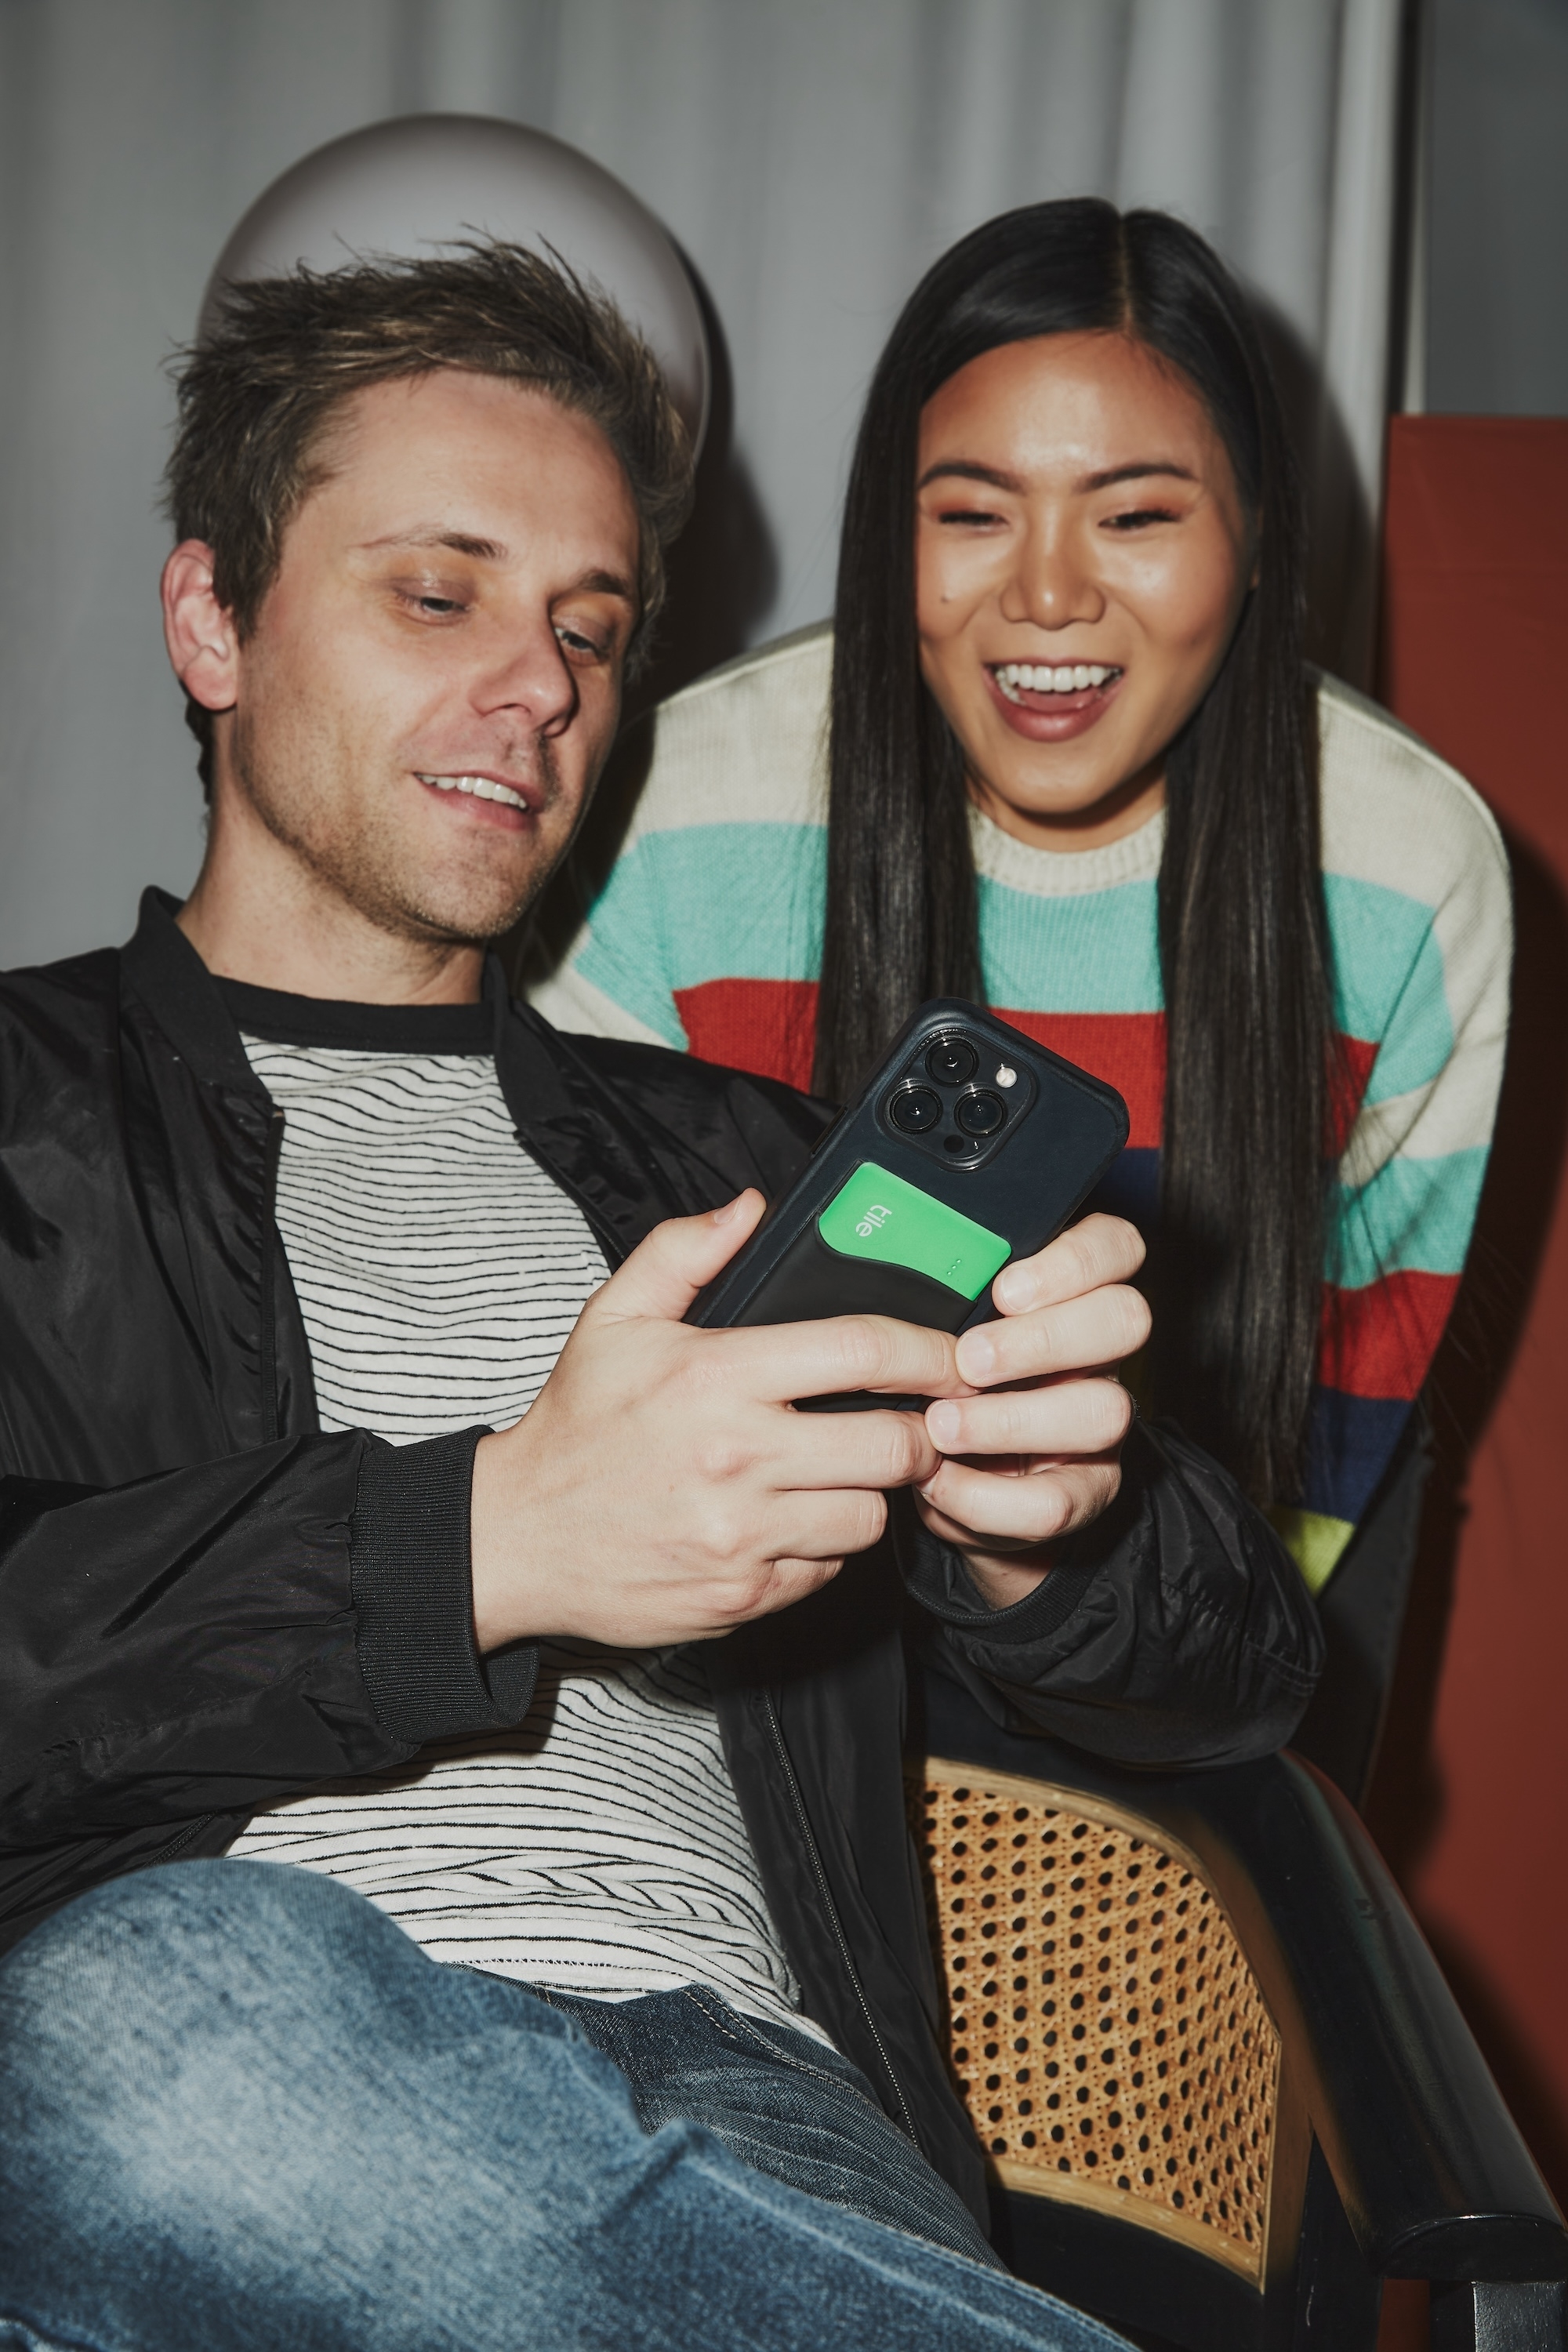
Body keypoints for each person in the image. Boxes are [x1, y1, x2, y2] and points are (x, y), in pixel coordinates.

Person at [0, 241, 1319, 2352]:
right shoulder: (20, 1109)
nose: (539, 689)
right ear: (212, 619)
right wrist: (482, 1543)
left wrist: (1046, 1544)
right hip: (195, 2084)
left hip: (753, 2118)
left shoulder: (737, 1156)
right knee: (154, 2021)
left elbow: (1248, 1674)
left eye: (590, 632)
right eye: (441, 596)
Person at [532, 199, 1512, 1596]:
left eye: (1136, 515)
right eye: (975, 514)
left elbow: (1342, 1424)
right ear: (891, 534)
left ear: (1251, 545)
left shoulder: (1404, 866)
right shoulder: (679, 807)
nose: (1048, 595)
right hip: (735, 1623)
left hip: (1181, 1638)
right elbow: (588, 1366)